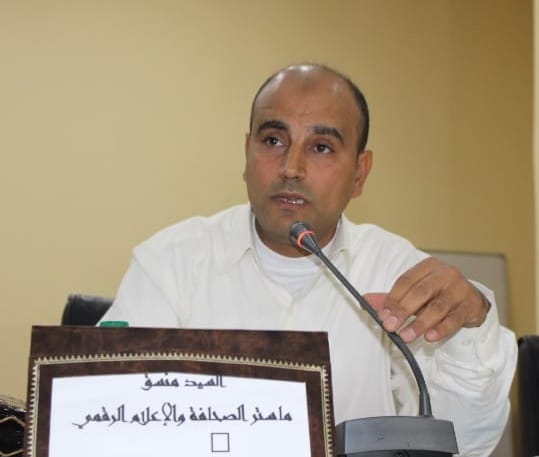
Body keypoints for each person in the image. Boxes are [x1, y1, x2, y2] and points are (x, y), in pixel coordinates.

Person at [101, 63, 517, 456]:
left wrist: (470, 326)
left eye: (321, 147)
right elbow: (107, 420)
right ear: (246, 152)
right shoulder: (169, 264)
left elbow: (462, 440)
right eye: (273, 140)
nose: (291, 167)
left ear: (359, 173)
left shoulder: (398, 274)